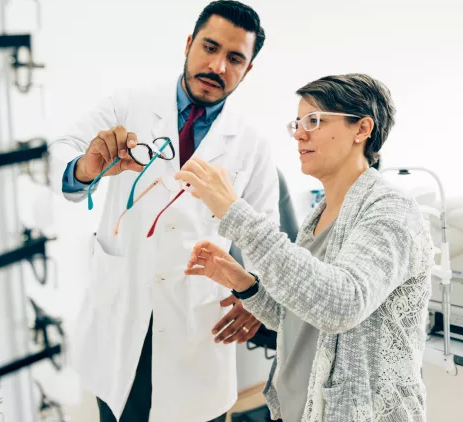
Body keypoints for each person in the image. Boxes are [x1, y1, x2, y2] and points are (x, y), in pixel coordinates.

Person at [50, 1, 280, 422]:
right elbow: (59, 150)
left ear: (247, 70)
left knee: (195, 412)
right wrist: (87, 166)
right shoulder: (129, 104)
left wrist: (258, 297)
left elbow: (268, 237)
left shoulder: (252, 144)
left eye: (234, 58)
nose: (217, 65)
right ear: (189, 43)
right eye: (209, 47)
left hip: (197, 323)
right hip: (124, 310)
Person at [178, 73, 434, 422]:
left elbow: (340, 305)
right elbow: (299, 319)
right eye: (297, 123)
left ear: (361, 129)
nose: (299, 134)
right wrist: (244, 283)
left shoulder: (391, 210)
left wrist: (234, 212)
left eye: (314, 121)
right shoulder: (319, 216)